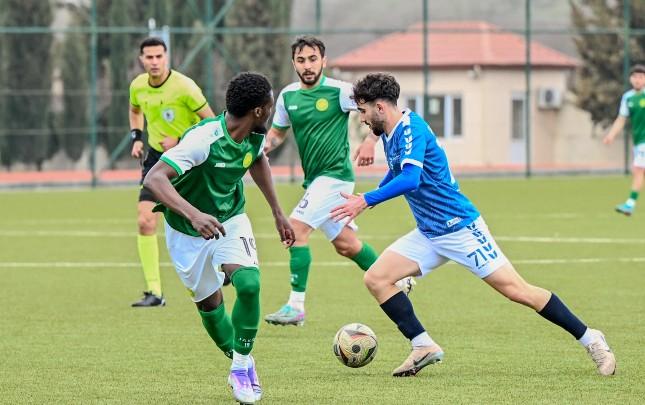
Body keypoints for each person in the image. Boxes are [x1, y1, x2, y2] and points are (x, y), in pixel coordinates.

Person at [331, 73, 616, 377]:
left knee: (518, 291)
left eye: (363, 111)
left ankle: (591, 338)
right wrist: (371, 197)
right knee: (376, 278)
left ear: (380, 108)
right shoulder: (390, 132)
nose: (362, 119)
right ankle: (423, 345)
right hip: (429, 232)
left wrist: (367, 200)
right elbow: (399, 170)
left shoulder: (411, 129)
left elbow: (411, 179)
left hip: (460, 228)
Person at [144, 72, 295, 404]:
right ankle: (242, 360)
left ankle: (240, 368)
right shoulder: (204, 139)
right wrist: (194, 215)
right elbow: (155, 179)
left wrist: (277, 212)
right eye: (270, 105)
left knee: (249, 284)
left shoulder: (255, 134)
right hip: (186, 231)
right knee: (210, 306)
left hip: (231, 218)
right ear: (258, 110)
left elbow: (257, 159)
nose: (272, 111)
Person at [263, 36, 413, 327]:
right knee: (346, 244)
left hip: (335, 177)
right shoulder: (288, 96)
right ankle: (398, 279)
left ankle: (296, 307)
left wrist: (370, 141)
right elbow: (278, 133)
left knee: (296, 230)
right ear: (293, 63)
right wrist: (265, 147)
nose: (307, 66)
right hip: (315, 180)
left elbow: (378, 111)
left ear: (324, 61)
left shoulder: (340, 91)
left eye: (313, 59)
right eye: (301, 60)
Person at [129, 37, 215, 307]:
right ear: (142, 59)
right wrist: (136, 138)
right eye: (149, 57)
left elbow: (212, 124)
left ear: (166, 57)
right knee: (145, 221)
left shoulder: (185, 87)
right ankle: (154, 292)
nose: (154, 62)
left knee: (200, 221)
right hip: (157, 161)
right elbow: (134, 110)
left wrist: (180, 140)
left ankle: (220, 267)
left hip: (189, 159)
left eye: (159, 56)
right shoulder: (138, 86)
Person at [603, 64, 645, 216]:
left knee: (638, 170)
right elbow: (621, 119)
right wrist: (611, 135)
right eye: (635, 77)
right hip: (638, 140)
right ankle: (630, 204)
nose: (637, 80)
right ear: (630, 79)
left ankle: (630, 204)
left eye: (641, 77)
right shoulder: (628, 97)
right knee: (640, 171)